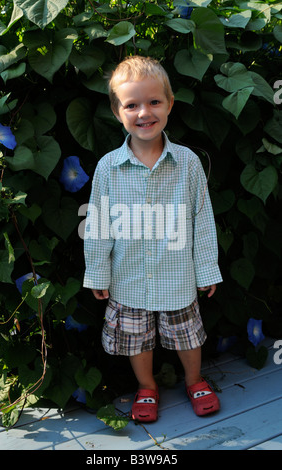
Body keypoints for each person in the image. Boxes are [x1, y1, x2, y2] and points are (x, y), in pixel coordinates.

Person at [83, 55, 223, 422]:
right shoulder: (108, 168)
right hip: (128, 276)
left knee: (188, 335)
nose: (144, 112)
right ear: (117, 112)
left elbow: (202, 219)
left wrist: (206, 268)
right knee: (136, 339)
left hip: (177, 273)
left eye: (154, 102)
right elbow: (97, 224)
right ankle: (147, 387)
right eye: (132, 105)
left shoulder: (188, 162)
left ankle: (194, 379)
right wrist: (98, 274)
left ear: (170, 104)